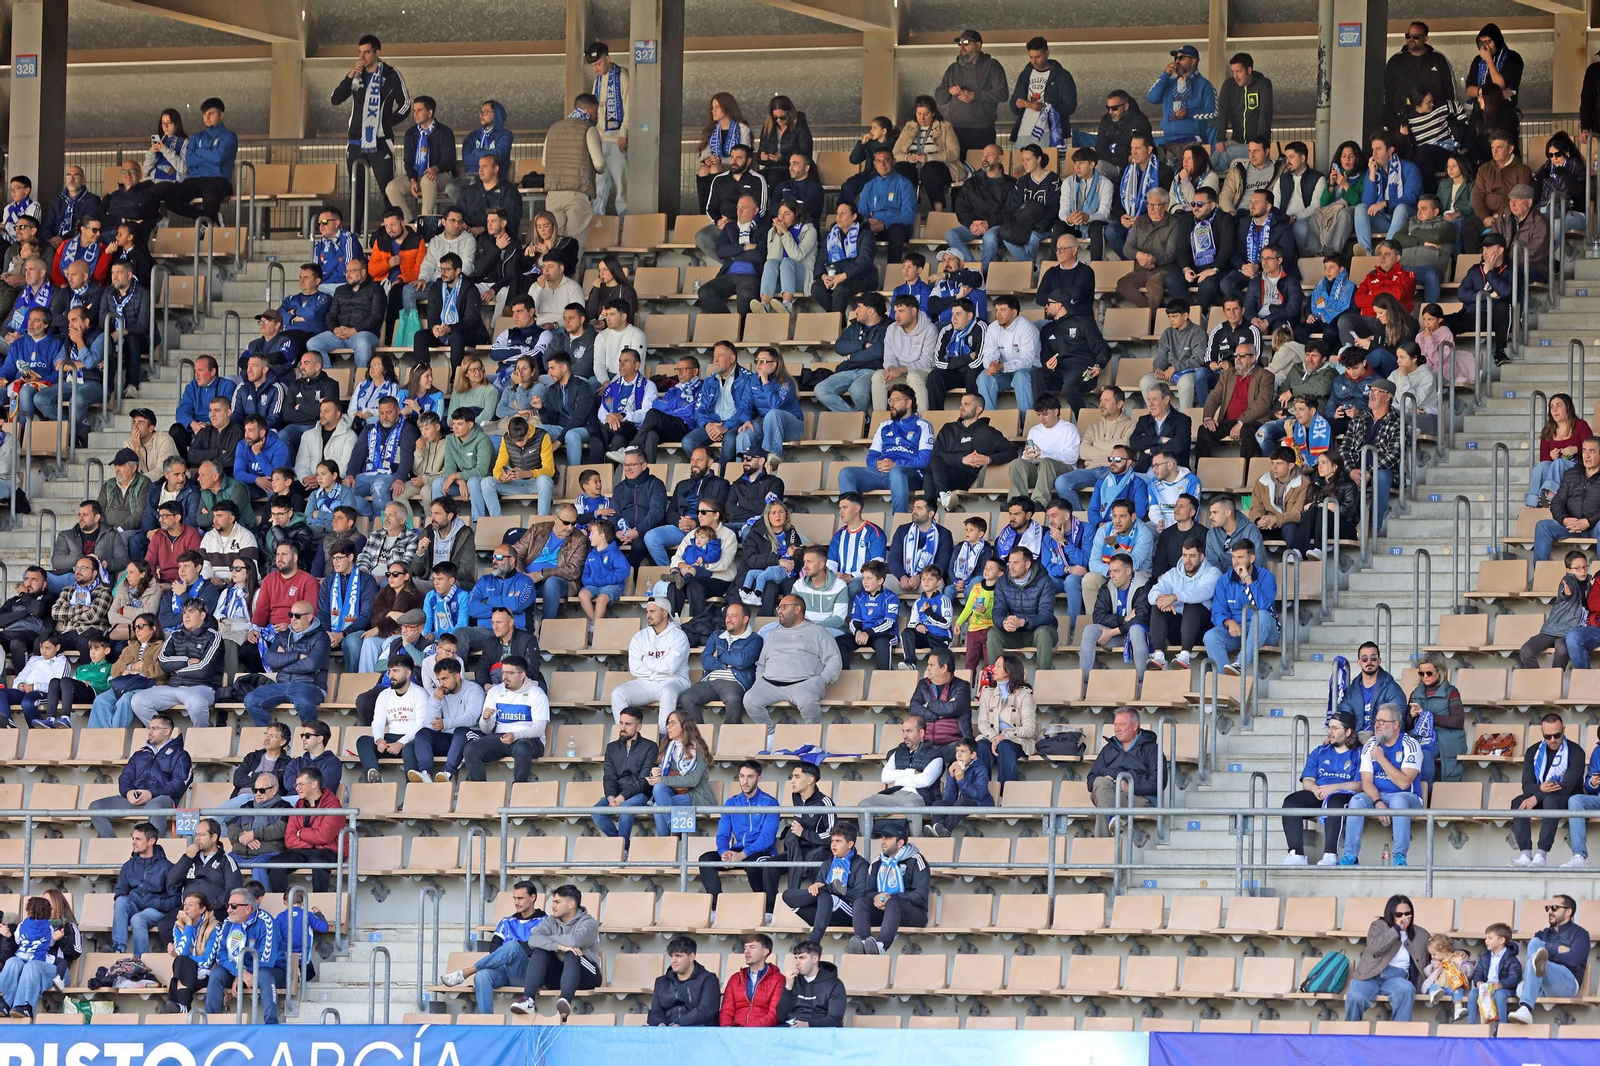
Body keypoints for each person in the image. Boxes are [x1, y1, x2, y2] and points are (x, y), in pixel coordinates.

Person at [438, 881, 547, 1014]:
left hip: (526, 974)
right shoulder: (506, 922)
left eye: (520, 898)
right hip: (504, 972)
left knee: (512, 946)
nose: (516, 902)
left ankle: (467, 971)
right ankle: (487, 1022)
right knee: (481, 976)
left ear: (533, 898)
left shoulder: (545, 922)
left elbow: (534, 948)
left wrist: (512, 950)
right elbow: (494, 949)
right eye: (514, 898)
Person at [331, 36, 410, 218]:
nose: (362, 57)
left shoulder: (391, 74)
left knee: (386, 188)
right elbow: (335, 99)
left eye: (366, 52)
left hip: (380, 141)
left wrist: (385, 123)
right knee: (356, 190)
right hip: (356, 141)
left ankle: (392, 228)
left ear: (377, 52)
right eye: (359, 52)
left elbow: (405, 104)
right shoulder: (356, 75)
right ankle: (356, 231)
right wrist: (350, 75)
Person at [744, 594, 843, 734]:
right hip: (770, 684)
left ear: (797, 609)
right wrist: (761, 679)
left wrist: (822, 679)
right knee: (750, 700)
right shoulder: (773, 634)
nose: (779, 611)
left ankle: (812, 738)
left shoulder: (818, 631)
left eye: (784, 607)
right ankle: (771, 734)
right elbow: (761, 664)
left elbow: (834, 659)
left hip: (804, 684)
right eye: (779, 607)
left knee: (808, 700)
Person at [1340, 702, 1424, 865]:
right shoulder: (1371, 745)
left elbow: (1403, 783)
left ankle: (1400, 855)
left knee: (1398, 800)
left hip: (1409, 798)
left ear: (1396, 725)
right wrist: (1378, 802)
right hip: (1378, 797)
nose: (1377, 725)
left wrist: (1381, 758)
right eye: (1376, 720)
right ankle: (1350, 855)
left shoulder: (1410, 745)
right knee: (1356, 801)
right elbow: (1366, 782)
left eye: (1382, 721)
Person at [1277, 710, 1361, 865]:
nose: (1330, 732)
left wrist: (1334, 787)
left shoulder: (1359, 753)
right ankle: (1297, 854)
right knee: (1291, 802)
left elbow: (1359, 785)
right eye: (1329, 728)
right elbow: (1307, 779)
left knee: (1335, 802)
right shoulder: (1320, 751)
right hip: (1320, 792)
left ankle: (1330, 855)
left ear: (1348, 731)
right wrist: (1314, 788)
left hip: (1344, 793)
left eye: (1335, 728)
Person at [88, 711, 189, 838]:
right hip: (135, 798)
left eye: (155, 728)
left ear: (167, 731)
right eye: (149, 728)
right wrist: (128, 792)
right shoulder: (140, 754)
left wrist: (152, 793)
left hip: (160, 798)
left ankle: (154, 852)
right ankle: (111, 845)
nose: (150, 732)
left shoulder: (180, 754)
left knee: (156, 806)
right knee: (96, 807)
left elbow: (179, 783)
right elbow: (125, 777)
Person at [1509, 713, 1586, 867]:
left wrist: (1537, 796)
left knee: (1551, 800)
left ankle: (1542, 854)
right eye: (1548, 736)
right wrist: (1540, 788)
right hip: (1543, 795)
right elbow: (1527, 785)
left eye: (1557, 735)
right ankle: (1525, 853)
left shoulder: (1576, 752)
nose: (1553, 740)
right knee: (1518, 801)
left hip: (1566, 798)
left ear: (1563, 730)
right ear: (1542, 733)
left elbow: (1565, 788)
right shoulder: (1533, 752)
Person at [203, 887, 287, 1025]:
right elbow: (221, 955)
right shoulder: (228, 923)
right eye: (228, 905)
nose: (229, 910)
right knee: (217, 973)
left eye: (234, 906)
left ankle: (271, 1024)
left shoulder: (266, 922)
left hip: (272, 969)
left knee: (264, 975)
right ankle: (210, 1023)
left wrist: (241, 975)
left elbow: (265, 959)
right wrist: (240, 972)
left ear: (248, 909)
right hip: (240, 969)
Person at [846, 820, 930, 954]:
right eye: (882, 837)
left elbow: (920, 896)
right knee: (860, 902)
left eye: (888, 838)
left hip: (913, 913)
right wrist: (876, 897)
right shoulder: (878, 862)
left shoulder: (916, 860)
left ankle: (880, 946)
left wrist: (891, 897)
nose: (883, 841)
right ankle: (862, 943)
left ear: (900, 843)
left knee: (892, 903)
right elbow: (868, 892)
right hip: (884, 912)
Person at [243, 599, 330, 726]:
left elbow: (311, 665)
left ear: (310, 617)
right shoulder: (284, 635)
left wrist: (283, 661)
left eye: (297, 616)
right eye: (291, 615)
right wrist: (297, 656)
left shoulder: (322, 637)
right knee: (250, 699)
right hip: (282, 684)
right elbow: (270, 659)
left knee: (304, 702)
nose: (293, 619)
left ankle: (310, 736)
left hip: (310, 685)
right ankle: (274, 737)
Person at [1344, 894, 1428, 1023]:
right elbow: (1376, 947)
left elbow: (1439, 947)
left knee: (1407, 988)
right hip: (1370, 975)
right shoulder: (1378, 926)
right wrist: (1396, 929)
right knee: (1356, 998)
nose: (1404, 918)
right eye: (1399, 914)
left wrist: (1461, 953)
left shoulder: (1421, 934)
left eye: (1407, 914)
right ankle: (1350, 1033)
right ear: (1390, 913)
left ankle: (1398, 1036)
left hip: (1396, 977)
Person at [1506, 895, 1591, 1024]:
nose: (1550, 911)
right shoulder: (1542, 934)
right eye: (1548, 908)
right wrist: (1557, 949)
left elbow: (1573, 960)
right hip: (1543, 981)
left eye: (1554, 908)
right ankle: (1528, 1006)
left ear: (1568, 912)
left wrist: (1547, 952)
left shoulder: (1580, 934)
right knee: (1535, 945)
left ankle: (1527, 1003)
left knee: (1537, 962)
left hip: (1567, 983)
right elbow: (1537, 954)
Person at [1204, 541, 1279, 678]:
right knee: (1211, 636)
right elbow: (1217, 613)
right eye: (1233, 557)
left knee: (1261, 614)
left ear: (1251, 558)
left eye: (1240, 557)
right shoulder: (1224, 581)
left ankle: (1240, 664)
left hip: (1266, 630)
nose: (1236, 562)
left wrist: (1249, 581)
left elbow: (1264, 606)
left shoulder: (1266, 577)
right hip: (1239, 631)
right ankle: (1224, 685)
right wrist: (1228, 622)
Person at [679, 602, 761, 725]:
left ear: (745, 619)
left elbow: (742, 661)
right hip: (710, 681)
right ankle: (700, 737)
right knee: (686, 698)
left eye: (733, 616)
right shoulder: (716, 635)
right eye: (727, 615)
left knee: (733, 700)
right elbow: (705, 661)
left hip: (735, 682)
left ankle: (730, 737)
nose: (728, 619)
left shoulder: (755, 639)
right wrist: (727, 663)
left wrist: (720, 655)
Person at [862, 715, 943, 837]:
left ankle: (917, 844)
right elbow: (885, 776)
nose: (905, 735)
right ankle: (867, 844)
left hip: (918, 797)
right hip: (894, 794)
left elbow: (925, 781)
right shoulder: (897, 753)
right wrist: (911, 773)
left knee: (912, 806)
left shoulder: (936, 756)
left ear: (921, 733)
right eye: (903, 731)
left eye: (909, 731)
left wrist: (898, 780)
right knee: (864, 805)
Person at [1079, 552, 1152, 682]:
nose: (1112, 575)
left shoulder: (1144, 586)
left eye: (1116, 571)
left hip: (1142, 637)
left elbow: (1142, 618)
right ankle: (1084, 681)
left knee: (1135, 629)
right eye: (1111, 571)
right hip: (1117, 637)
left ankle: (1143, 681)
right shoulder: (1107, 587)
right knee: (1090, 630)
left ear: (1128, 570)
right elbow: (1098, 617)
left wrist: (1113, 631)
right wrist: (1124, 620)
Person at [162, 98, 237, 223]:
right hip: (195, 179)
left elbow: (218, 158)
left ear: (222, 115)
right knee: (171, 200)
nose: (207, 118)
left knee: (210, 197)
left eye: (211, 113)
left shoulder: (229, 136)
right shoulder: (197, 136)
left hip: (219, 180)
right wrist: (210, 155)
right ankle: (204, 220)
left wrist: (199, 151)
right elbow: (190, 160)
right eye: (204, 114)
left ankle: (207, 228)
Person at [306, 258, 385, 371]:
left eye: (351, 271)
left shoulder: (376, 289)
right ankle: (331, 378)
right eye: (346, 271)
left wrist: (354, 330)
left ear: (363, 272)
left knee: (362, 344)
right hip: (340, 335)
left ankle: (361, 381)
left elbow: (376, 316)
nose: (348, 274)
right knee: (313, 343)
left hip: (363, 334)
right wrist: (335, 329)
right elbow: (330, 315)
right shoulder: (340, 290)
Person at [937, 31, 1010, 153]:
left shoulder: (992, 65)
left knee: (980, 169)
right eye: (960, 44)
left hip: (982, 130)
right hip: (954, 129)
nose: (962, 47)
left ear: (978, 45)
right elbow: (939, 98)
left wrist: (975, 95)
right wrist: (949, 91)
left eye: (966, 43)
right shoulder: (953, 69)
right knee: (956, 170)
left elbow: (1003, 93)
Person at [112, 822, 178, 955]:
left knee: (138, 918)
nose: (134, 842)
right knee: (120, 902)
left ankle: (140, 962)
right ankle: (118, 948)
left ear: (151, 841)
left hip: (156, 911)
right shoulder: (128, 866)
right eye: (133, 838)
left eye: (138, 839)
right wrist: (132, 899)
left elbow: (175, 900)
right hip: (135, 907)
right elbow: (120, 893)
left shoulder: (167, 867)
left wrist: (155, 903)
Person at [1148, 44, 1218, 158]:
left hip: (1193, 142)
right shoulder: (1169, 83)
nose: (1177, 61)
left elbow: (1214, 112)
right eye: (1175, 58)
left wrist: (1189, 113)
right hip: (1168, 140)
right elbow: (1152, 98)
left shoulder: (1204, 85)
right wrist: (1165, 75)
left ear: (1193, 61)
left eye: (1181, 58)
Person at [976, 295, 1040, 415]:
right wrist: (991, 364)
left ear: (1014, 312)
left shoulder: (1027, 328)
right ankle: (988, 423)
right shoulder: (993, 327)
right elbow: (988, 353)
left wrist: (1002, 366)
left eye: (1003, 310)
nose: (998, 315)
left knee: (1021, 376)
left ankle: (1025, 423)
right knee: (984, 377)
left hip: (1028, 370)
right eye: (996, 310)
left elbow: (1027, 361)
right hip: (1004, 373)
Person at [167, 816, 242, 917]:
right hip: (188, 910)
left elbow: (232, 891)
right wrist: (187, 858)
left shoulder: (226, 861)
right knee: (164, 925)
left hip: (214, 910)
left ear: (214, 837)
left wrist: (209, 906)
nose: (197, 839)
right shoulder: (190, 858)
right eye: (196, 835)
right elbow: (172, 881)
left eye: (201, 835)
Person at [1010, 37, 1077, 149]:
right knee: (1021, 164)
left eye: (1037, 57)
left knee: (1047, 164)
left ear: (1047, 53)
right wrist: (1017, 104)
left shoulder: (1062, 76)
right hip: (1024, 129)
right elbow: (1013, 104)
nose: (1033, 61)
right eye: (1031, 57)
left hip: (1049, 131)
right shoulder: (1025, 74)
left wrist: (1046, 108)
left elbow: (1070, 106)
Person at [165, 889, 221, 1015]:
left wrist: (184, 957)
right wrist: (188, 926)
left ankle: (182, 1007)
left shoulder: (214, 927)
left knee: (182, 962)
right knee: (182, 961)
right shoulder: (179, 926)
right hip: (187, 973)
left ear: (202, 909)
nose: (186, 908)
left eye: (191, 905)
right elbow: (182, 952)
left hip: (207, 974)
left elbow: (207, 961)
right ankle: (183, 1007)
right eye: (184, 904)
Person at [645, 935, 721, 1027]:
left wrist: (679, 1025)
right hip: (667, 1031)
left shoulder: (708, 980)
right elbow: (655, 1012)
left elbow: (705, 1011)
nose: (673, 961)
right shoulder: (661, 982)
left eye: (678, 956)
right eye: (671, 956)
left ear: (691, 957)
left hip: (696, 1032)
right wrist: (660, 1024)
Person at [775, 939, 846, 1028]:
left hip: (820, 1032)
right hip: (792, 1029)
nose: (797, 962)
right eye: (796, 958)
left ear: (815, 959)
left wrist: (808, 1025)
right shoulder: (792, 981)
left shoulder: (835, 984)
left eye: (802, 958)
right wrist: (788, 988)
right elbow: (781, 1017)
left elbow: (835, 1020)